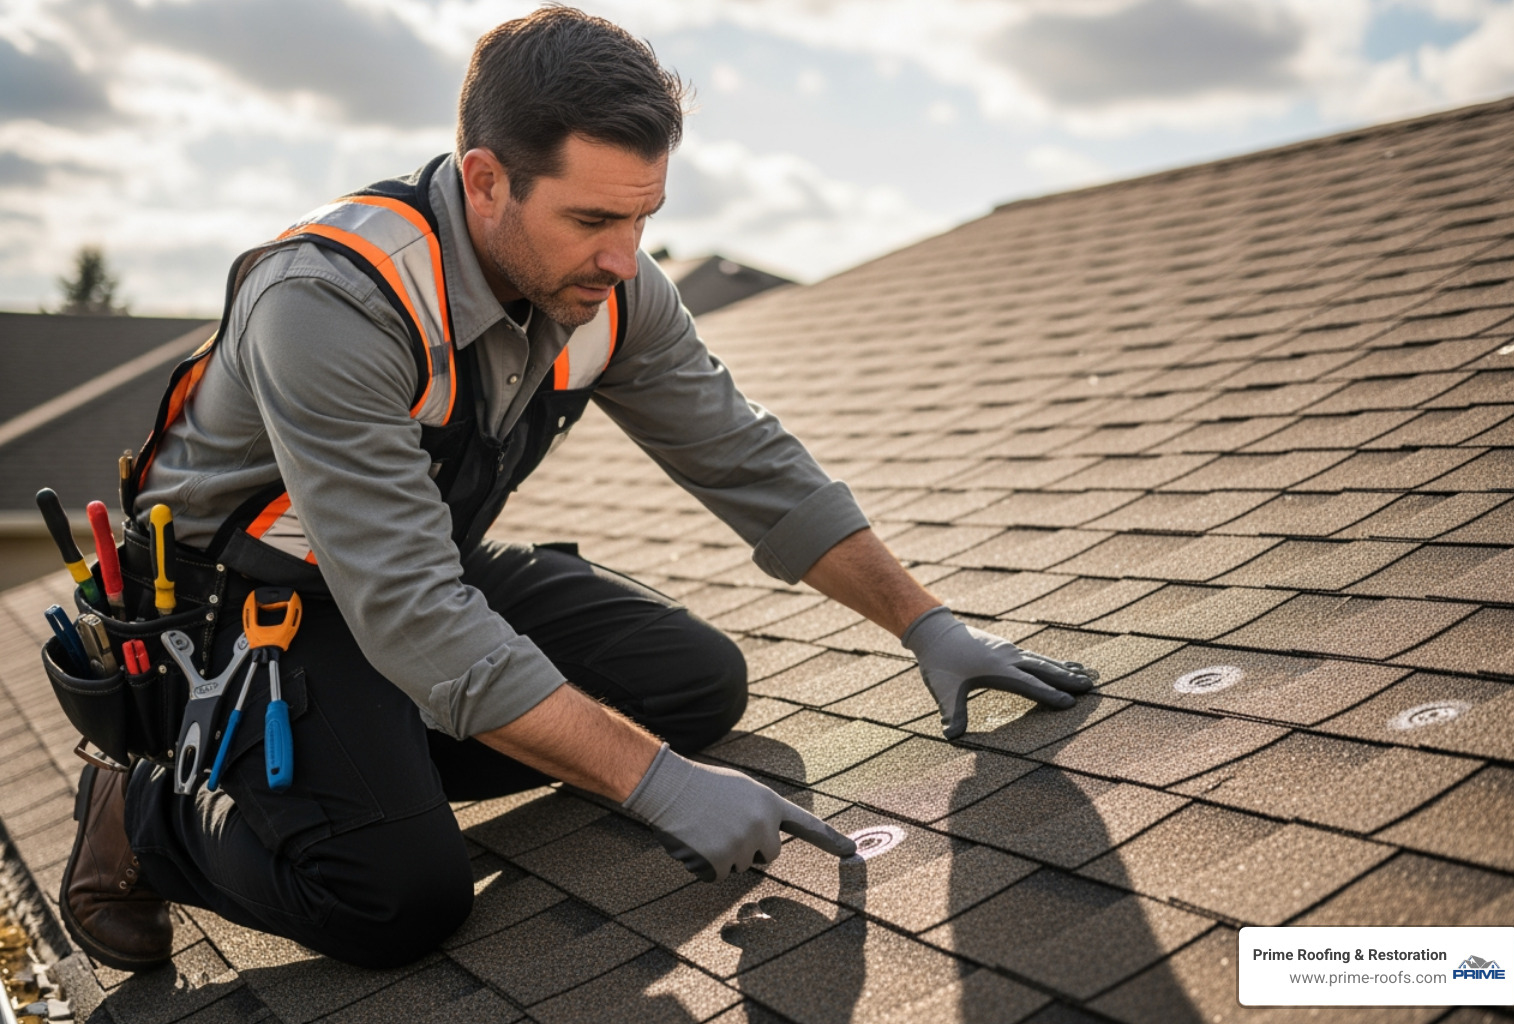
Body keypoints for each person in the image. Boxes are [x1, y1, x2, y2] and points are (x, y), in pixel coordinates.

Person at [59, 6, 1097, 974]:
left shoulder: (613, 287)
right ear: (483, 181)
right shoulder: (332, 302)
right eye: (593, 217)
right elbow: (413, 615)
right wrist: (654, 783)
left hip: (409, 578)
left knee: (695, 687)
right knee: (397, 897)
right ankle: (143, 810)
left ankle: (381, 765)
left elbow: (749, 462)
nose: (624, 257)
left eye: (644, 217)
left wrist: (928, 626)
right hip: (253, 614)